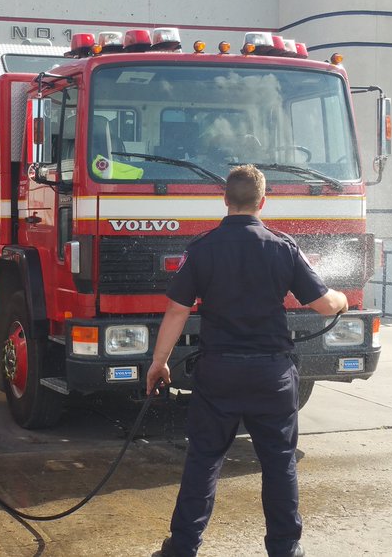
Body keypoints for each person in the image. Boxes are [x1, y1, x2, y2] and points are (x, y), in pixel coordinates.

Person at [148, 164, 348, 557]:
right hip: (271, 375)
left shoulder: (201, 249)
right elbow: (326, 305)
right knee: (279, 464)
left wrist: (160, 362)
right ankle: (285, 549)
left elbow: (176, 311)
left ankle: (182, 548)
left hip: (218, 373)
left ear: (224, 199)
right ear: (262, 201)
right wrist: (340, 298)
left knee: (203, 461)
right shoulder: (283, 246)